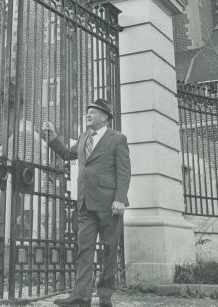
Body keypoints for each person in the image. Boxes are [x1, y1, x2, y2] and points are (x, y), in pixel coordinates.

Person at [42, 98, 131, 307]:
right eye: (87, 111)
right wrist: (53, 137)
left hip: (110, 204)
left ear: (105, 117)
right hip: (85, 204)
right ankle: (81, 296)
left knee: (110, 251)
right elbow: (66, 153)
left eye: (93, 112)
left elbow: (124, 171)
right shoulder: (83, 138)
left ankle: (105, 296)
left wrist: (120, 199)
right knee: (84, 250)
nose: (88, 115)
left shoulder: (118, 139)